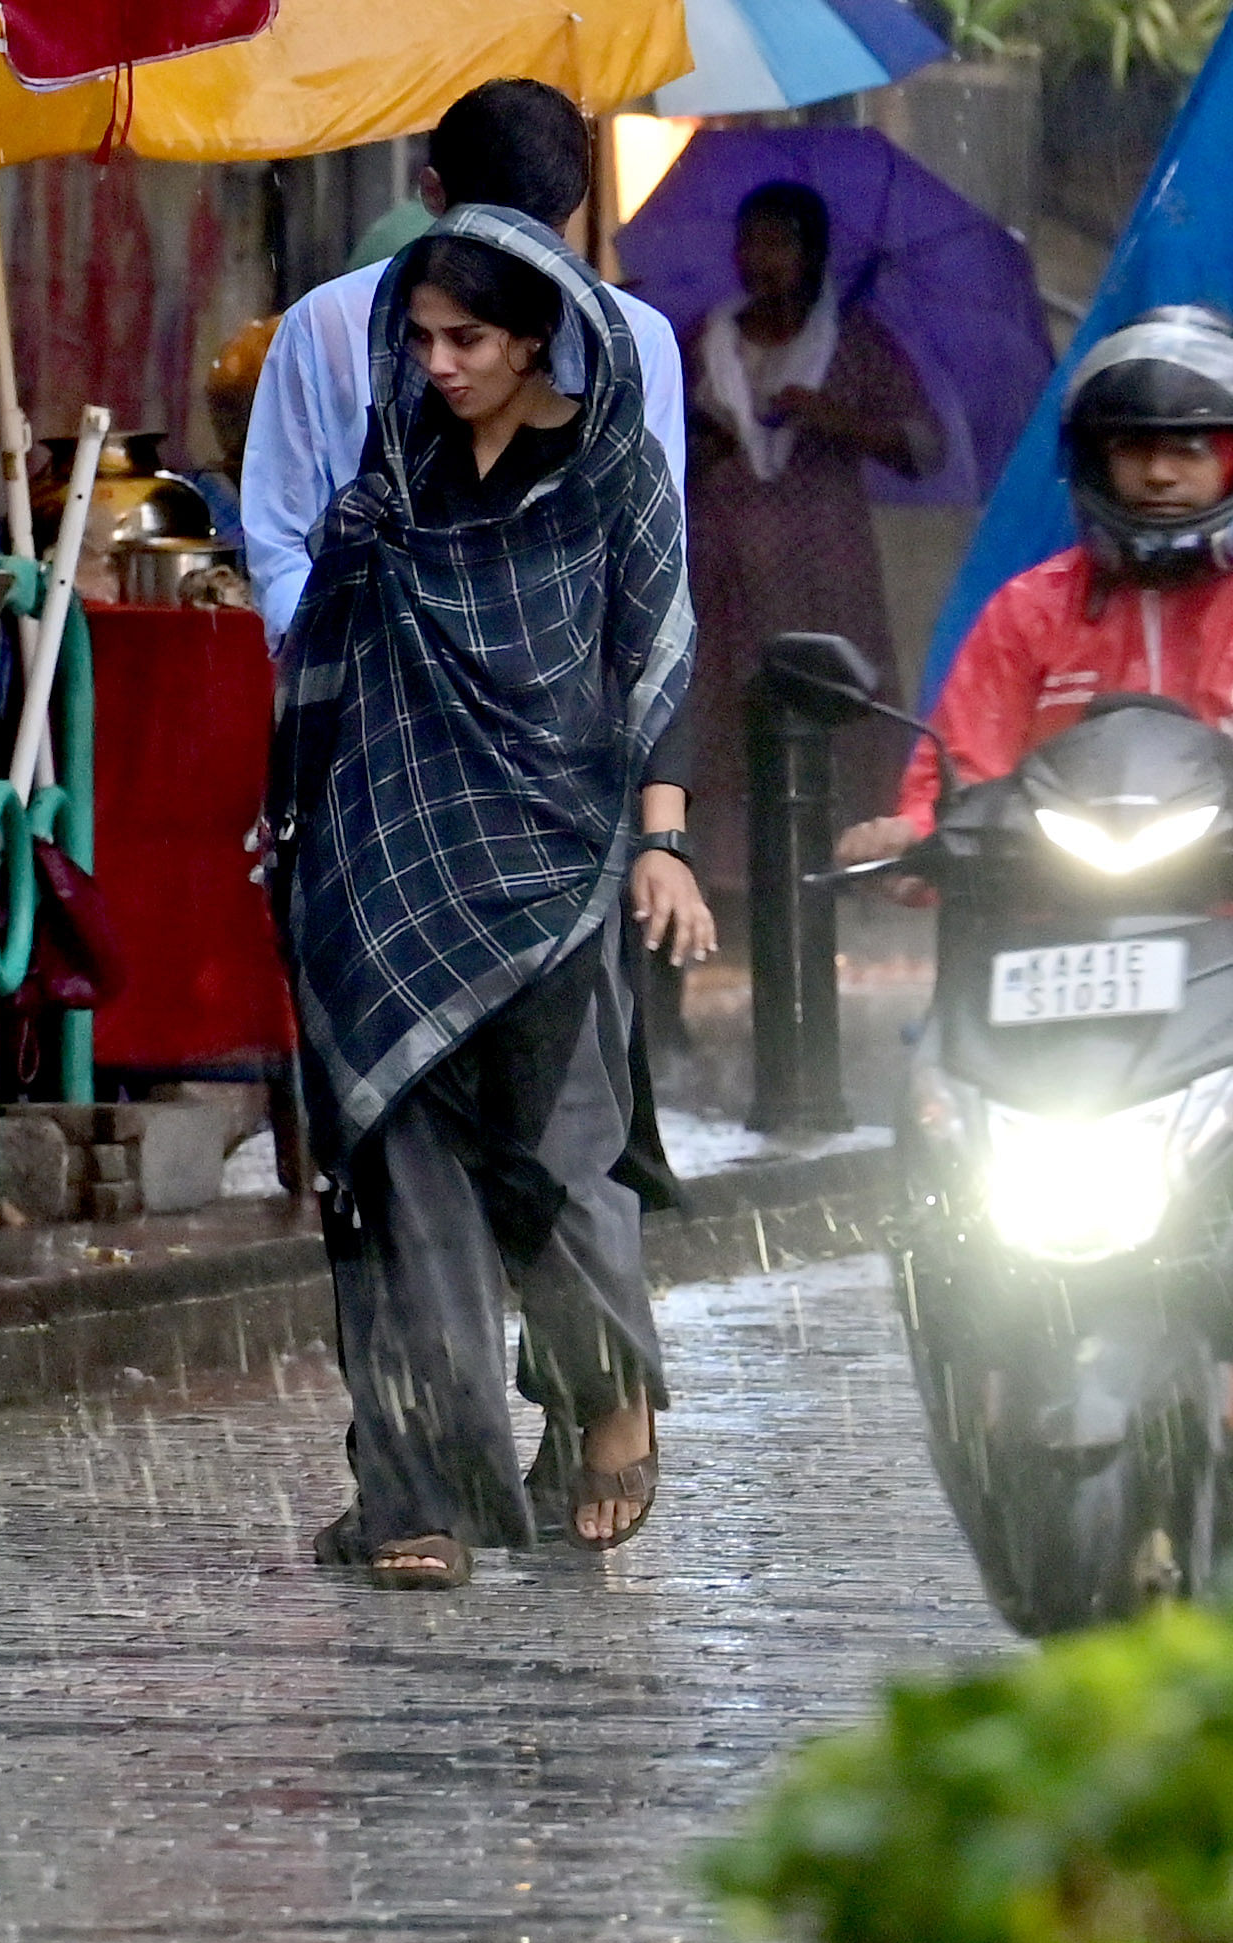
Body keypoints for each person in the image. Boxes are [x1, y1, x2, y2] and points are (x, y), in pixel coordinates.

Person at [838, 308, 1233, 1405]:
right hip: (1068, 935)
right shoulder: (1029, 612)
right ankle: (981, 1373)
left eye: (1192, 447)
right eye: (1137, 448)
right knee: (943, 1102)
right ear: (1096, 462)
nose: (1163, 473)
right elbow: (959, 769)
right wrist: (914, 830)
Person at [276, 212, 713, 1588]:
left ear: (536, 337)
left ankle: (608, 1399)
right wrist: (294, 820)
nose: (438, 362)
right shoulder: (392, 469)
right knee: (396, 1169)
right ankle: (426, 1489)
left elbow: (650, 652)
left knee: (556, 1161)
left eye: (466, 338)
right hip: (387, 857)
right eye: (419, 339)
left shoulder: (608, 471)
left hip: (552, 860)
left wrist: (662, 840)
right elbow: (327, 650)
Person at [240, 81, 688, 649]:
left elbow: (649, 560)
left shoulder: (630, 342)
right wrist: (354, 671)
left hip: (561, 711)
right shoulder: (326, 326)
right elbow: (284, 546)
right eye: (424, 341)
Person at [684, 179, 936, 883]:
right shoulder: (704, 340)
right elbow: (658, 441)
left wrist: (835, 418)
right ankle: (731, 881)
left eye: (777, 242)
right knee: (723, 715)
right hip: (721, 576)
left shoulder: (854, 341)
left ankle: (844, 866)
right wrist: (711, 445)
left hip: (824, 576)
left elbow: (924, 448)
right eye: (748, 241)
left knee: (833, 711)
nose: (758, 259)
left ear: (814, 253)